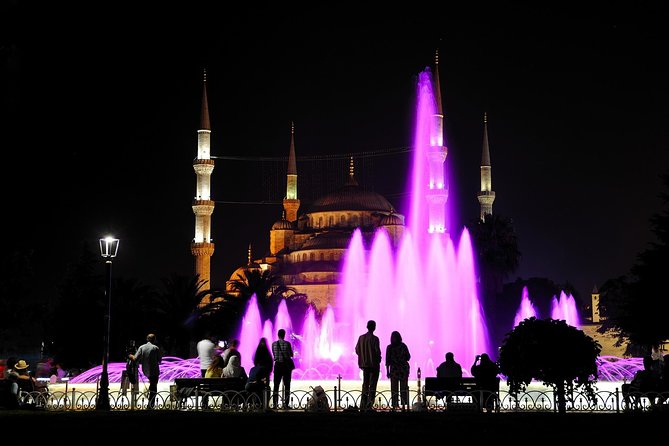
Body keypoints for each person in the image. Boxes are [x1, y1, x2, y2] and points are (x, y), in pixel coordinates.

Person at [129, 333, 162, 409]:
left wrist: (130, 355)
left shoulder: (142, 347)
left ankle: (149, 403)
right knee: (154, 388)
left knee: (152, 386)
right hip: (154, 371)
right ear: (154, 340)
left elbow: (135, 359)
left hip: (145, 371)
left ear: (147, 339)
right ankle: (151, 405)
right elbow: (160, 361)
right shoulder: (156, 348)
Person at [355, 319, 381, 411]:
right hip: (373, 365)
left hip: (364, 365)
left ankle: (363, 404)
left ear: (367, 326)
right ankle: (369, 405)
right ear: (374, 327)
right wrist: (378, 360)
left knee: (365, 385)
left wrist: (363, 357)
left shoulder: (361, 338)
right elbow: (377, 352)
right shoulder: (375, 339)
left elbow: (357, 350)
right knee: (373, 385)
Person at [385, 330, 411, 409]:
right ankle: (404, 403)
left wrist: (388, 371)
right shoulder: (403, 346)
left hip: (394, 370)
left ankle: (395, 404)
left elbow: (387, 361)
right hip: (403, 369)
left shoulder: (389, 347)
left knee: (394, 388)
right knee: (404, 387)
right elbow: (408, 357)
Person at [271, 328, 294, 409]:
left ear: (278, 335)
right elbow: (291, 354)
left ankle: (275, 404)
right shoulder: (287, 344)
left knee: (276, 385)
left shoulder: (273, 344)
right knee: (287, 385)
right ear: (284, 335)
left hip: (277, 366)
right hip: (285, 366)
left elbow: (274, 355)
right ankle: (286, 404)